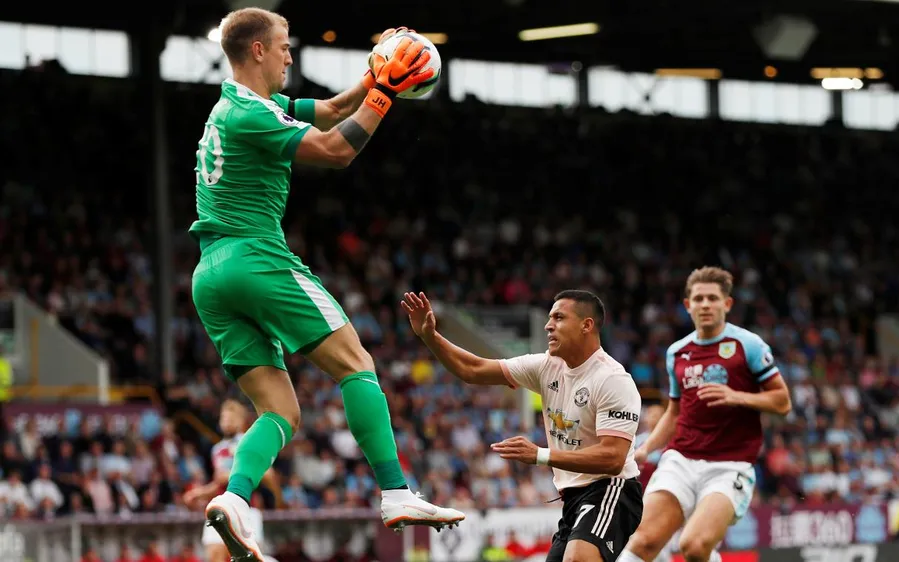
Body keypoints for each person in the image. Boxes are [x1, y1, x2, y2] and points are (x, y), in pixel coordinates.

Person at [188, 8, 464, 561]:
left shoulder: (235, 107)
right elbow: (337, 149)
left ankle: (235, 501)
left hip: (210, 275)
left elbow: (336, 108)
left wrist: (376, 71)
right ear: (259, 50)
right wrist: (386, 94)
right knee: (356, 363)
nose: (293, 55)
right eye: (286, 45)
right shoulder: (251, 115)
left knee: (281, 413)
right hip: (255, 256)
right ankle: (394, 492)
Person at [401, 290, 644, 562]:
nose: (548, 325)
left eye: (559, 318)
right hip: (573, 500)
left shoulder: (612, 380)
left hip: (612, 490)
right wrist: (430, 337)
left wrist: (539, 455)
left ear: (586, 325)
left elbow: (613, 458)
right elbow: (472, 370)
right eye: (550, 318)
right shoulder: (545, 367)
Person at [616, 266, 791, 562]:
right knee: (642, 542)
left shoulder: (747, 345)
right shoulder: (677, 352)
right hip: (681, 459)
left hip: (729, 465)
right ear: (687, 305)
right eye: (698, 299)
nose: (705, 304)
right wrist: (646, 449)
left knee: (694, 546)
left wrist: (737, 396)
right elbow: (674, 411)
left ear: (727, 304)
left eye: (712, 298)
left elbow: (782, 402)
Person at [183, 400, 274, 562]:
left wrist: (230, 475)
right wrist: (199, 494)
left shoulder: (248, 444)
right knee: (214, 554)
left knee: (248, 558)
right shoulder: (217, 449)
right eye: (223, 419)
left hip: (247, 510)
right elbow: (219, 483)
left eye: (230, 419)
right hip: (221, 507)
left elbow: (268, 475)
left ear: (241, 422)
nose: (226, 423)